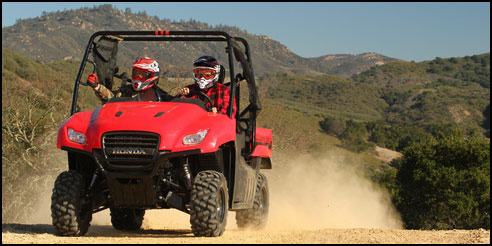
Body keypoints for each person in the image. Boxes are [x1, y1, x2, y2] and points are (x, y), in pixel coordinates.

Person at [87, 57, 173, 103]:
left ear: (152, 76)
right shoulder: (127, 92)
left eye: (142, 74)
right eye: (135, 73)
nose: (137, 78)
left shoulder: (164, 98)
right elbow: (111, 97)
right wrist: (97, 87)